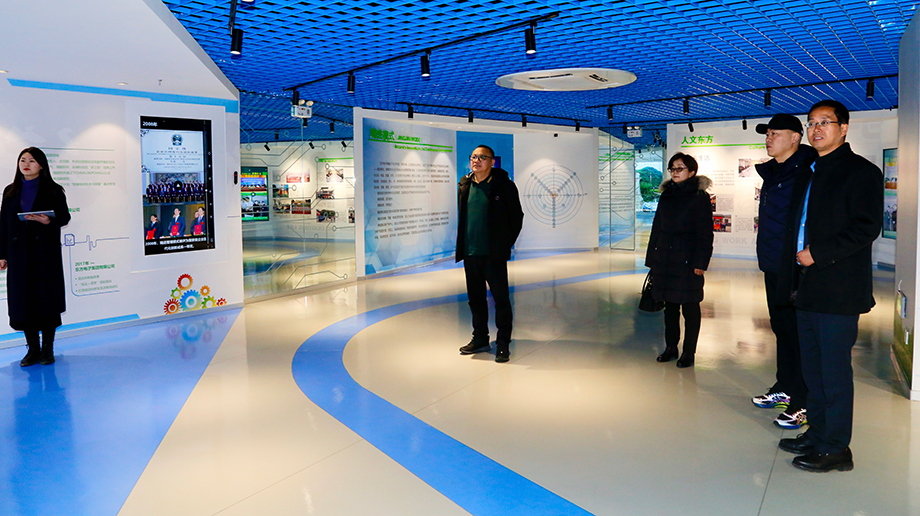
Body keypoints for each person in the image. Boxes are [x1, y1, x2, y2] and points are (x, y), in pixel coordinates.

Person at [777, 100, 883, 472]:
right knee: (813, 370)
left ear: (844, 128)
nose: (816, 129)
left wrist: (817, 254)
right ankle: (817, 434)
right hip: (807, 287)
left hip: (838, 289)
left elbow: (867, 228)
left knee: (833, 373)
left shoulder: (861, 172)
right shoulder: (811, 170)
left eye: (825, 122)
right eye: (811, 123)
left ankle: (836, 449)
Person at [751, 114, 816, 430]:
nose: (769, 138)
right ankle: (785, 386)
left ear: (795, 137)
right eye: (767, 134)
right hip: (773, 263)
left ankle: (803, 402)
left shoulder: (808, 171)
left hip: (795, 266)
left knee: (799, 334)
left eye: (775, 133)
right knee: (782, 329)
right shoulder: (774, 173)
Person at [0, 147, 71, 366]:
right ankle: (32, 349)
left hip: (45, 255)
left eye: (31, 160)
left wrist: (48, 220)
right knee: (24, 303)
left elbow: (64, 217)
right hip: (19, 255)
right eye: (22, 160)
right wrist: (2, 254)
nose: (26, 164)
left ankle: (47, 349)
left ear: (41, 165)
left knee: (46, 301)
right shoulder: (10, 191)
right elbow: (3, 224)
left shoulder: (53, 190)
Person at [455, 145, 523, 363]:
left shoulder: (504, 185)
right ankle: (480, 338)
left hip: (493, 255)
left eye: (482, 157)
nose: (476, 160)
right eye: (474, 157)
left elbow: (516, 218)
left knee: (501, 300)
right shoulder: (464, 184)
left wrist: (504, 245)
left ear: (492, 162)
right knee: (475, 300)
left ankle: (503, 343)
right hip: (471, 253)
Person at [646, 152, 714, 368]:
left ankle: (689, 352)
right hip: (665, 258)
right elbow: (657, 227)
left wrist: (701, 262)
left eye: (680, 168)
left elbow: (705, 232)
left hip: (688, 259)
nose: (675, 172)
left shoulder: (700, 196)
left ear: (692, 172)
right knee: (670, 308)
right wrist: (652, 258)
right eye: (672, 168)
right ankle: (671, 347)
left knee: (690, 307)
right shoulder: (666, 195)